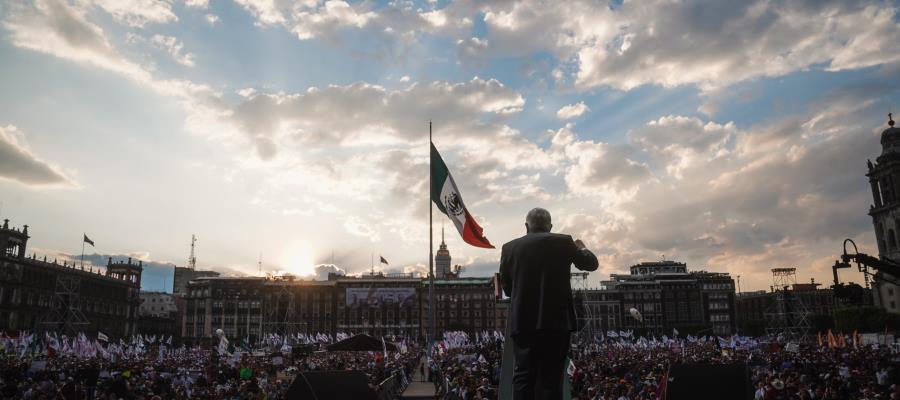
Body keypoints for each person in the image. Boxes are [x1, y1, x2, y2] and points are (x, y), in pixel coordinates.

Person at [499, 207, 599, 400]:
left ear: (526, 226)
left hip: (524, 323)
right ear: (550, 226)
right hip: (557, 323)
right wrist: (582, 247)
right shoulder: (564, 242)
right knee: (551, 378)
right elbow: (591, 264)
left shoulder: (509, 248)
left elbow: (508, 289)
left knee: (523, 376)